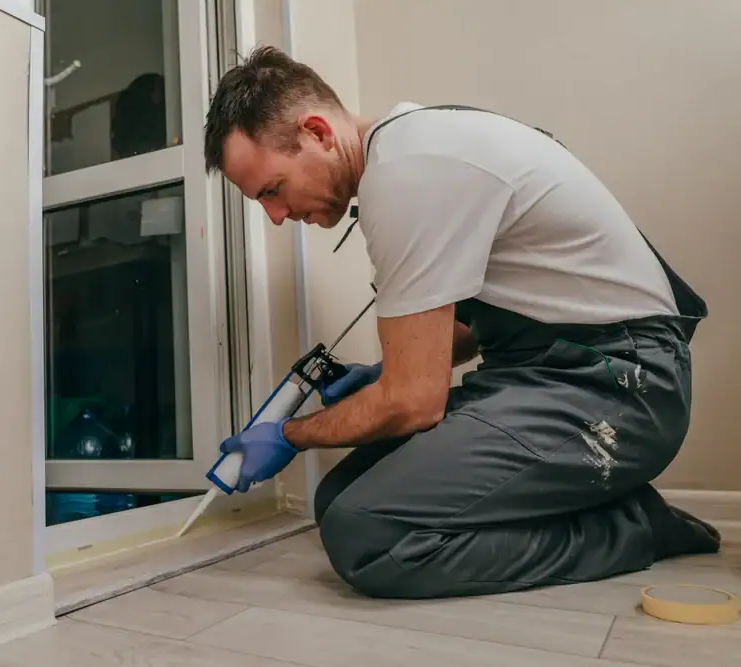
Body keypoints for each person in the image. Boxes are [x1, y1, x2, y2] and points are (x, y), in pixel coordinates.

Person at [204, 46, 720, 600]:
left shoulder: (407, 172)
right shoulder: (416, 145)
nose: (277, 217)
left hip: (622, 384)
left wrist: (288, 435)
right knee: (337, 500)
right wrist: (386, 371)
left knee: (370, 534)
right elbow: (493, 324)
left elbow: (414, 402)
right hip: (552, 370)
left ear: (318, 133)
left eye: (272, 191)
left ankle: (632, 527)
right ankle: (590, 497)